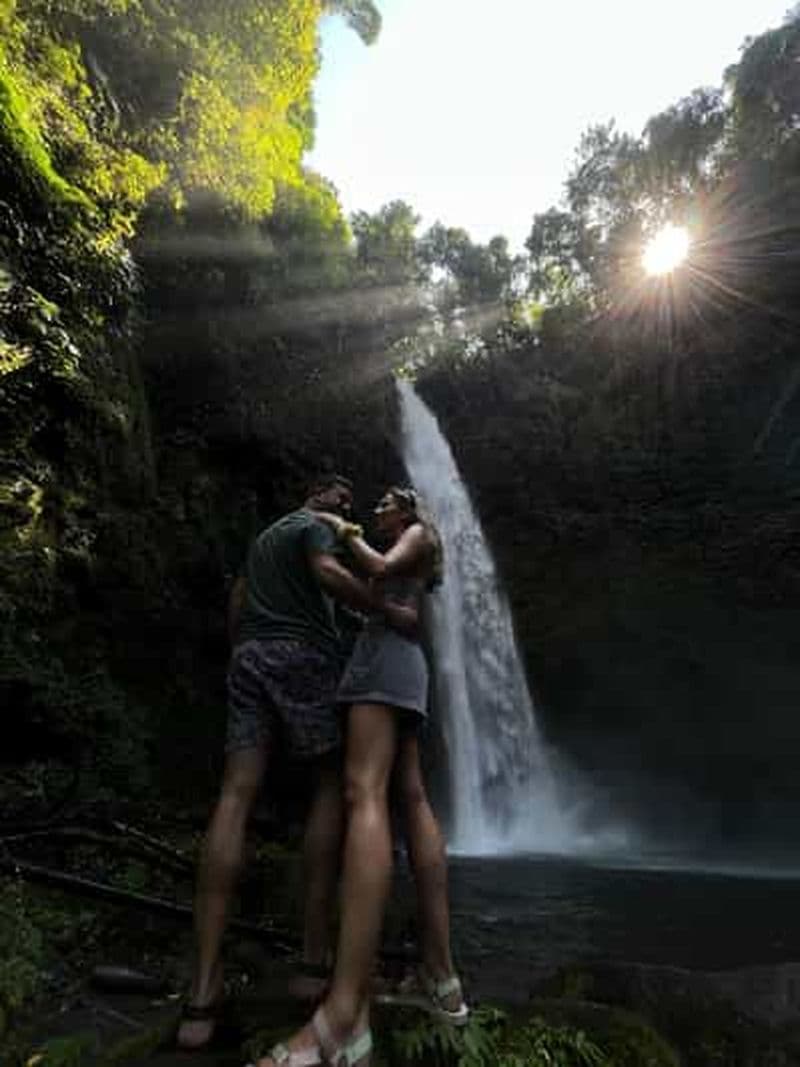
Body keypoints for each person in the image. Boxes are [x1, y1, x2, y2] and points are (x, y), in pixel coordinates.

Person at [177, 474, 410, 1052]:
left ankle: (201, 995)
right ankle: (312, 962)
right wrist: (385, 607)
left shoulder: (261, 542)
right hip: (303, 656)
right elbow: (330, 576)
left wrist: (243, 652)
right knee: (332, 785)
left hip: (250, 658)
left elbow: (238, 602)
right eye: (341, 496)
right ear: (319, 494)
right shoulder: (312, 526)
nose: (347, 504)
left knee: (235, 794)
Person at [253, 487, 467, 1067]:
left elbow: (379, 568)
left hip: (385, 668)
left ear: (407, 508)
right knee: (410, 794)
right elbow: (382, 594)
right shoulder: (407, 548)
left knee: (362, 795)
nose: (372, 512)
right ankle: (439, 974)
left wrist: (334, 527)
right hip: (392, 662)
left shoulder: (418, 535)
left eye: (382, 505)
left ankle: (343, 1014)